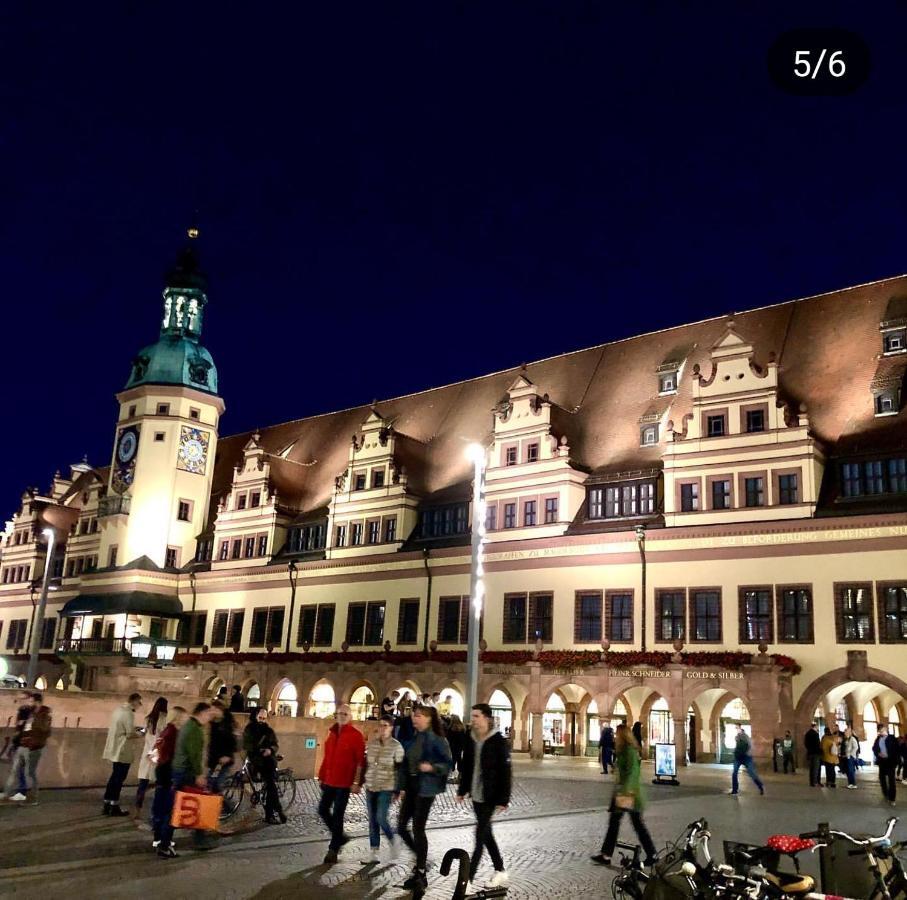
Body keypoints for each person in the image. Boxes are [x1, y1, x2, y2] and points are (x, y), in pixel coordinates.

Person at [457, 703, 511, 890]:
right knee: (486, 834)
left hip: (491, 795)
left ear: (487, 718)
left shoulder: (497, 740)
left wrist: (504, 799)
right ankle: (500, 870)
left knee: (479, 836)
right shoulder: (471, 738)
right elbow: (467, 766)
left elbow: (506, 770)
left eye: (477, 716)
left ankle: (468, 880)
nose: (473, 720)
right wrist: (462, 790)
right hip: (477, 794)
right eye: (472, 716)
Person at [398, 705, 452, 892]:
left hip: (426, 789)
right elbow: (406, 763)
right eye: (414, 716)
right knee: (401, 827)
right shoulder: (416, 736)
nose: (415, 718)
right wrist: (400, 786)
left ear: (429, 719)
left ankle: (420, 872)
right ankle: (421, 858)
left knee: (418, 828)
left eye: (419, 716)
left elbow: (447, 765)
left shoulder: (437, 739)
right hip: (412, 787)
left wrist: (432, 768)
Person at [590, 723, 657, 868]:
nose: (615, 737)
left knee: (634, 824)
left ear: (623, 736)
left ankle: (651, 854)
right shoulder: (623, 751)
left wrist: (627, 792)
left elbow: (632, 773)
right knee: (618, 823)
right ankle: (607, 854)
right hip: (624, 793)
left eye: (617, 735)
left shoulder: (629, 751)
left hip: (629, 794)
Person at [160, 701, 219, 855]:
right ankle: (167, 843)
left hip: (180, 772)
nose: (209, 719)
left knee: (181, 807)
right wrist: (199, 774)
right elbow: (194, 755)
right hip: (187, 774)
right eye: (208, 715)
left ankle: (169, 842)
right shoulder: (194, 730)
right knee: (186, 807)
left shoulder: (189, 726)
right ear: (202, 713)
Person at [318, 704, 365, 863]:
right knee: (323, 809)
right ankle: (340, 837)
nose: (342, 716)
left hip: (344, 783)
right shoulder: (331, 734)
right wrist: (322, 775)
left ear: (350, 716)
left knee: (338, 814)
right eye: (339, 713)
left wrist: (357, 781)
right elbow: (327, 757)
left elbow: (360, 762)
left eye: (345, 713)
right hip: (330, 780)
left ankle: (333, 849)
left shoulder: (356, 735)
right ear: (336, 715)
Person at [359, 714, 404, 863]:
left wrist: (397, 790)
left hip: (386, 786)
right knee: (372, 820)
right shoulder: (372, 744)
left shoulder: (396, 746)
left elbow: (400, 769)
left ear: (391, 728)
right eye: (381, 725)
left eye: (386, 725)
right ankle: (374, 851)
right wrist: (359, 782)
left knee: (380, 817)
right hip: (371, 785)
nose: (382, 728)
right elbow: (366, 764)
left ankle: (393, 839)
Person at [1, 691, 51, 804]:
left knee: (30, 772)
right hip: (23, 745)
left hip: (34, 748)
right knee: (14, 770)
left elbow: (45, 731)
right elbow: (25, 728)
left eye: (31, 701)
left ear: (38, 703)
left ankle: (34, 797)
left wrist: (33, 724)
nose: (29, 703)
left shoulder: (44, 715)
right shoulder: (30, 712)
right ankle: (6, 794)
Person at [150, 705, 187, 855]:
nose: (185, 719)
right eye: (184, 716)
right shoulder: (174, 733)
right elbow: (174, 756)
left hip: (161, 771)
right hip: (169, 773)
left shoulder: (165, 731)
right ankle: (165, 844)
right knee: (169, 810)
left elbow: (155, 751)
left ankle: (158, 839)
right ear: (178, 717)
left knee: (160, 808)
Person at [244, 707, 288, 825]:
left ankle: (270, 815)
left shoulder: (268, 730)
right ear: (255, 716)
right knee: (271, 785)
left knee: (270, 786)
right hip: (257, 762)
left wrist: (270, 750)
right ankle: (278, 811)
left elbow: (275, 745)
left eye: (264, 718)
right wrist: (259, 751)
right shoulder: (250, 729)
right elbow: (247, 745)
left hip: (269, 761)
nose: (262, 720)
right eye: (260, 717)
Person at [102, 692, 143, 816]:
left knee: (114, 777)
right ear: (135, 701)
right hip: (122, 750)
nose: (139, 705)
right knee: (119, 778)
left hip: (114, 749)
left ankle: (107, 803)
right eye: (139, 702)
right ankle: (114, 805)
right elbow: (129, 733)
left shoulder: (118, 710)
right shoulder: (128, 713)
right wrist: (141, 733)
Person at [134, 696, 168, 819]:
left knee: (142, 783)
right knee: (160, 783)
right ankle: (156, 812)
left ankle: (137, 810)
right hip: (157, 753)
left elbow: (144, 733)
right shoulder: (164, 720)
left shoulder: (148, 719)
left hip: (146, 753)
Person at [208, 699, 237, 793]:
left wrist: (228, 756)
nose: (212, 712)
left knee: (217, 786)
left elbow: (233, 742)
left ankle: (225, 806)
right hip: (214, 759)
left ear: (219, 710)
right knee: (210, 784)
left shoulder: (228, 723)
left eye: (214, 709)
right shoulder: (212, 723)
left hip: (225, 760)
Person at [727, 725, 764, 796]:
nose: (737, 730)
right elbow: (738, 746)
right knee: (735, 773)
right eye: (736, 729)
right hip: (739, 757)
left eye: (738, 728)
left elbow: (749, 746)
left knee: (751, 773)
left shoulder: (745, 737)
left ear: (741, 729)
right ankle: (735, 790)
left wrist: (746, 753)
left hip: (746, 757)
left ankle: (760, 786)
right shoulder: (737, 737)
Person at [873, 724, 898, 807]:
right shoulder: (878, 739)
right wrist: (878, 753)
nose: (881, 731)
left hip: (890, 762)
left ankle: (892, 798)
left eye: (882, 729)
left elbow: (895, 749)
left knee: (891, 780)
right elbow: (874, 748)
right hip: (882, 761)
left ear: (886, 729)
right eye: (880, 730)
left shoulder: (891, 738)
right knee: (882, 778)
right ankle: (886, 794)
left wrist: (888, 755)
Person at [447, 715, 467, 782]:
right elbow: (463, 739)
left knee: (453, 760)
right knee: (459, 760)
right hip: (460, 747)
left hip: (452, 747)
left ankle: (451, 774)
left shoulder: (450, 728)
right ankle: (459, 775)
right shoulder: (462, 728)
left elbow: (448, 738)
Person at [804, 722, 822, 787]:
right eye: (817, 726)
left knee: (811, 768)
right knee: (816, 768)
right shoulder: (815, 734)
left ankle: (812, 782)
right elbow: (818, 744)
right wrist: (820, 751)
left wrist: (809, 749)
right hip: (816, 754)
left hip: (810, 753)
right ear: (815, 726)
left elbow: (806, 744)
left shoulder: (807, 733)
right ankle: (815, 782)